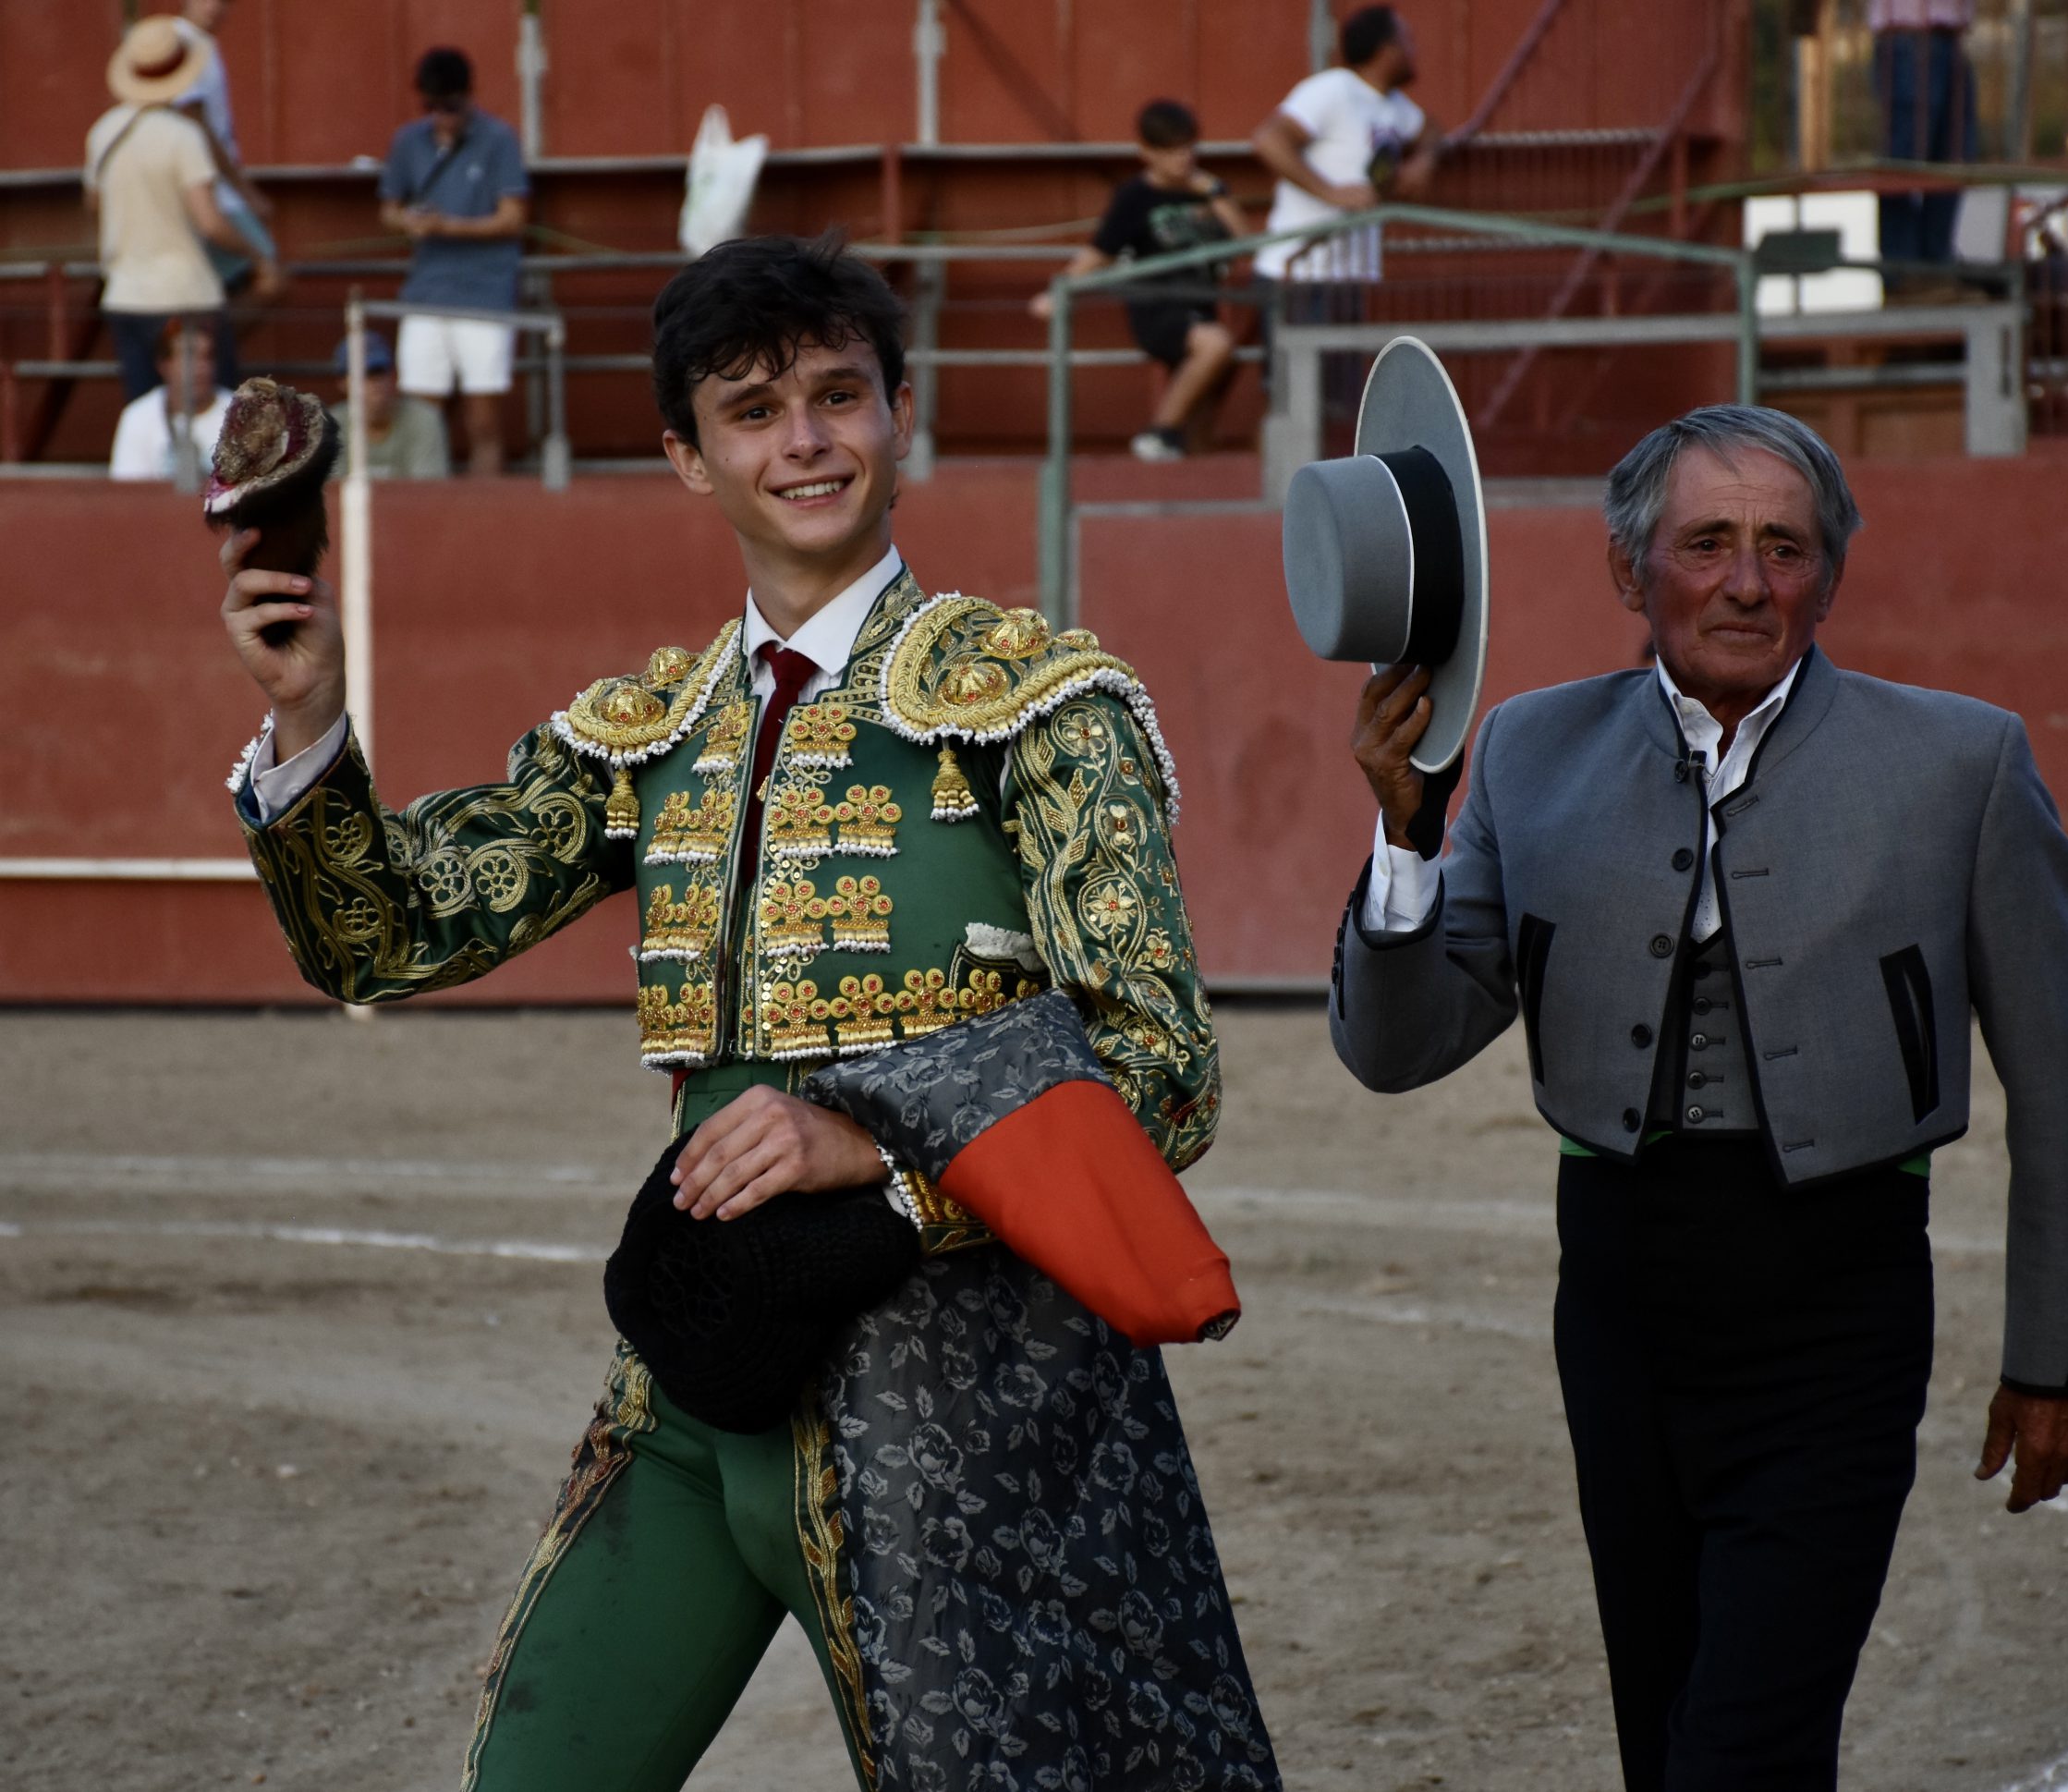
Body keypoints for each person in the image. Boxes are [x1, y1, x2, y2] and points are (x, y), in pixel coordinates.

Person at [219, 234, 1280, 1792]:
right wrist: (309, 714)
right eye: (755, 408)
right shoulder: (652, 729)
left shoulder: (1040, 702)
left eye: (839, 394)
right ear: (688, 456)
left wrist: (876, 1148)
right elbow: (387, 938)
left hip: (968, 1407)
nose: (806, 439)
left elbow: (1162, 1076)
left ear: (899, 413)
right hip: (706, 1376)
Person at [1330, 404, 2068, 1791]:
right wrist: (1406, 835)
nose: (1748, 581)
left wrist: (2061, 1356)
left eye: (1786, 546)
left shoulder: (1961, 762)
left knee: (1743, 1749)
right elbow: (1399, 1046)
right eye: (1707, 542)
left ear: (1832, 574)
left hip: (1838, 1305)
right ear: (1629, 570)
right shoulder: (1527, 750)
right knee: (1668, 1726)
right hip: (1620, 1305)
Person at [1031, 99, 1250, 462]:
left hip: (1203, 307)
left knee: (1205, 417)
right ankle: (1158, 432)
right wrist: (1059, 291)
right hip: (1158, 308)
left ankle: (1187, 486)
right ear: (1146, 153)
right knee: (1216, 345)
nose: (1184, 158)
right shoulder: (1135, 196)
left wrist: (1215, 194)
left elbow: (1246, 244)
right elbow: (1101, 251)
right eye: (1172, 151)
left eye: (1189, 148)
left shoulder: (1208, 190)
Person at [85, 15, 277, 402]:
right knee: (213, 418)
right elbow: (210, 222)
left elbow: (94, 204)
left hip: (125, 293)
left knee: (146, 413)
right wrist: (257, 256)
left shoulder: (102, 132)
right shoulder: (183, 136)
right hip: (186, 294)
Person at [378, 46, 529, 477]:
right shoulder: (407, 141)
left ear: (469, 95)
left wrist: (445, 226)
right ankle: (424, 512)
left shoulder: (499, 139)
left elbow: (513, 218)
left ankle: (489, 517)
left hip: (484, 292)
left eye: (450, 106)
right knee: (421, 419)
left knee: (483, 420)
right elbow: (388, 210)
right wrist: (409, 221)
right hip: (426, 290)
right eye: (432, 106)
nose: (442, 116)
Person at [1251, 6, 1435, 290]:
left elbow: (1432, 130)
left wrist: (1425, 159)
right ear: (1387, 50)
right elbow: (1269, 139)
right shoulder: (1334, 89)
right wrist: (1329, 192)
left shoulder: (1394, 104)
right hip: (1300, 272)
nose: (1415, 50)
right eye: (1407, 41)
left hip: (1350, 274)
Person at [174, 0, 278, 305]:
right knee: (270, 274)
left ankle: (199, 348)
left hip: (209, 187)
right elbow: (198, 125)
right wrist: (245, 190)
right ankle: (212, 351)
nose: (214, 7)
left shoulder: (203, 43)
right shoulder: (182, 43)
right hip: (210, 190)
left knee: (207, 289)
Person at [1871, 0, 1977, 293]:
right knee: (1905, 157)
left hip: (1946, 36)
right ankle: (1905, 271)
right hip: (1909, 34)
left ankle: (1934, 265)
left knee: (1954, 156)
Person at [108, 313, 228, 481]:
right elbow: (129, 493)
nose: (202, 368)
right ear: (163, 364)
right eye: (189, 357)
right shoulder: (137, 416)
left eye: (208, 357)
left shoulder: (242, 416)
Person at [327, 329, 451, 479]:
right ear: (343, 383)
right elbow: (331, 492)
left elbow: (428, 492)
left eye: (381, 372)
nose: (376, 384)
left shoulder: (424, 419)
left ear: (395, 376)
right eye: (365, 375)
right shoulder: (330, 427)